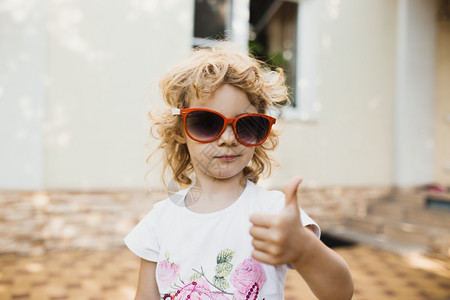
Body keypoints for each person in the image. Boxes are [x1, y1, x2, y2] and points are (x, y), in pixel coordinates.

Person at [124, 43, 353, 300]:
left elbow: (340, 293)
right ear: (180, 130)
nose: (228, 139)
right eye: (207, 122)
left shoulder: (274, 212)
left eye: (245, 125)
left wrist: (305, 250)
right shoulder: (159, 221)